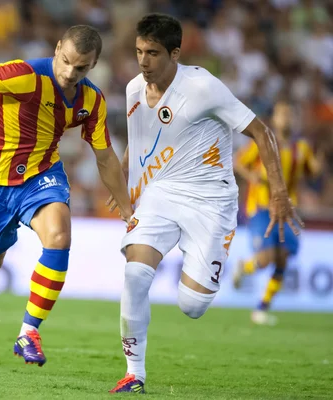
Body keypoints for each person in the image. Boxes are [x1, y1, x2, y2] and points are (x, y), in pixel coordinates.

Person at [107, 14, 302, 393]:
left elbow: (261, 132)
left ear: (175, 53)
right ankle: (135, 373)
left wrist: (279, 193)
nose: (143, 62)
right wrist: (125, 185)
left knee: (192, 306)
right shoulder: (134, 89)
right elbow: (140, 140)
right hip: (161, 193)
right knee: (134, 274)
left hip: (212, 201)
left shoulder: (203, 87)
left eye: (153, 53)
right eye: (138, 52)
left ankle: (201, 260)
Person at [0, 25, 133, 366]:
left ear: (93, 65)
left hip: (42, 175)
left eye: (80, 68)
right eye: (65, 61)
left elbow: (105, 155)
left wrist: (127, 209)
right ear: (56, 49)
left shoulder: (91, 100)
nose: (70, 73)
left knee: (59, 236)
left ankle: (28, 332)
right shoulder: (25, 75)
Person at [232, 99, 323, 325]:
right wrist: (252, 176)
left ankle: (262, 308)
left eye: (290, 114)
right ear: (275, 119)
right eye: (283, 114)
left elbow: (312, 174)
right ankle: (245, 267)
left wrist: (318, 167)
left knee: (282, 259)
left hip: (287, 210)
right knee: (267, 258)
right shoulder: (262, 143)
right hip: (261, 208)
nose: (287, 118)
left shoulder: (301, 148)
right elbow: (237, 162)